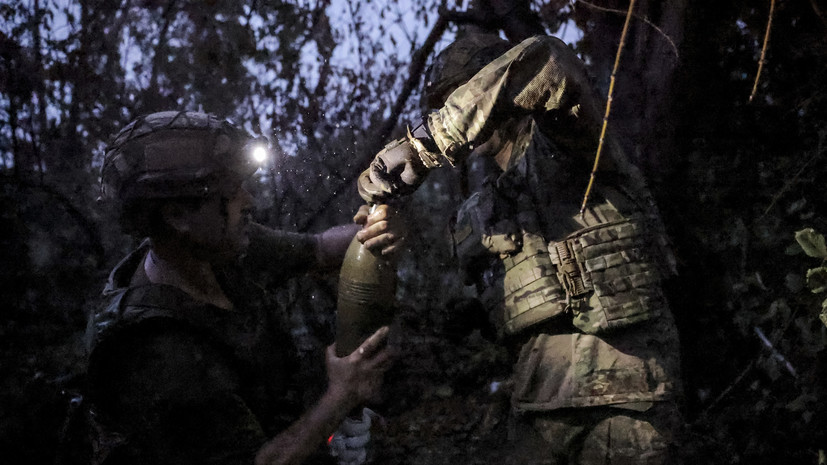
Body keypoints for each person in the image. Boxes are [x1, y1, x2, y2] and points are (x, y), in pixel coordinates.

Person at [358, 33, 684, 464]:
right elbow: (471, 326)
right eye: (447, 102)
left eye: (468, 92)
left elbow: (547, 61)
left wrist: (427, 144)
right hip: (537, 416)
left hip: (624, 403)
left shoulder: (569, 141)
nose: (463, 107)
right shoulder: (476, 212)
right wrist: (385, 243)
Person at [86, 110, 401, 465]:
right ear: (177, 216)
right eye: (231, 192)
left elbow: (319, 249)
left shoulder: (214, 250)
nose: (249, 201)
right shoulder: (157, 353)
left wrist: (374, 226)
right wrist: (340, 397)